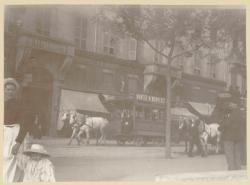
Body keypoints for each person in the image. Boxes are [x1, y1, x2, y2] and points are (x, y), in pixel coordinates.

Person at [4, 78, 28, 182]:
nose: (10, 92)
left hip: (14, 133)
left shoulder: (19, 104)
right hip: (4, 133)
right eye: (8, 89)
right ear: (4, 90)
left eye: (12, 90)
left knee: (12, 160)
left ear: (15, 91)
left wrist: (18, 142)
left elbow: (25, 124)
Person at [218, 101, 246, 170]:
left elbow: (226, 123)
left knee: (229, 155)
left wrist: (220, 127)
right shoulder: (242, 113)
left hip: (229, 138)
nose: (229, 106)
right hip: (239, 137)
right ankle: (238, 170)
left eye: (230, 105)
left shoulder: (230, 114)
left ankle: (232, 170)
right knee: (237, 155)